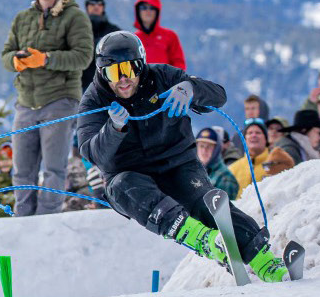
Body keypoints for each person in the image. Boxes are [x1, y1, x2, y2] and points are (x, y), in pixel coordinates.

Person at [75, 33, 288, 282]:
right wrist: (113, 130)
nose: (123, 79)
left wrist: (192, 89)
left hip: (177, 164)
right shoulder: (94, 100)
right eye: (113, 72)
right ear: (101, 72)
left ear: (141, 64)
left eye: (130, 69)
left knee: (205, 203)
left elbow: (218, 96)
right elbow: (92, 152)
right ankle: (201, 239)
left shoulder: (163, 76)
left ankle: (264, 261)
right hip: (130, 176)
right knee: (123, 186)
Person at [0, 0, 95, 216]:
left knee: (54, 169)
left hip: (60, 100)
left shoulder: (75, 17)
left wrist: (46, 59)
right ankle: (23, 220)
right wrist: (17, 62)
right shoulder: (22, 18)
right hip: (26, 102)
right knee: (22, 170)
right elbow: (5, 55)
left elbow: (84, 56)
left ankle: (46, 221)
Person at [228, 119, 294, 190]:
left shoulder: (277, 163)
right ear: (245, 139)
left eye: (258, 133)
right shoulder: (233, 169)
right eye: (250, 133)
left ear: (266, 139)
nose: (254, 135)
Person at [79, 0, 121, 88]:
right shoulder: (77, 29)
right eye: (92, 4)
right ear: (87, 6)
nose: (96, 7)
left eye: (99, 4)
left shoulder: (114, 31)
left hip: (106, 84)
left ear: (103, 6)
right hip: (82, 84)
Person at [131, 0, 186, 69]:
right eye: (143, 7)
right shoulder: (134, 39)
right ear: (138, 11)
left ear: (157, 11)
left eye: (152, 8)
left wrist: (175, 79)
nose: (148, 11)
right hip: (142, 80)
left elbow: (179, 63)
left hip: (166, 79)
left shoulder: (170, 36)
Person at [194, 127, 238, 200]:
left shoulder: (226, 178)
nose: (204, 150)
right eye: (201, 146)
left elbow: (224, 210)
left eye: (209, 147)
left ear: (217, 149)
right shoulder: (192, 172)